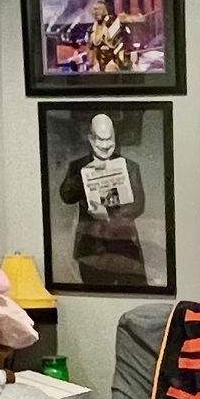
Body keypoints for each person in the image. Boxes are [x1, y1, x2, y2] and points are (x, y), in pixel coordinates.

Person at [58, 112, 150, 286]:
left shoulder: (130, 166)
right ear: (91, 139)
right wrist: (81, 176)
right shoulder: (77, 166)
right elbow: (66, 196)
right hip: (91, 248)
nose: (106, 145)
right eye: (100, 140)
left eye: (110, 139)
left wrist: (108, 215)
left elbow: (138, 205)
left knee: (133, 286)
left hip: (124, 244)